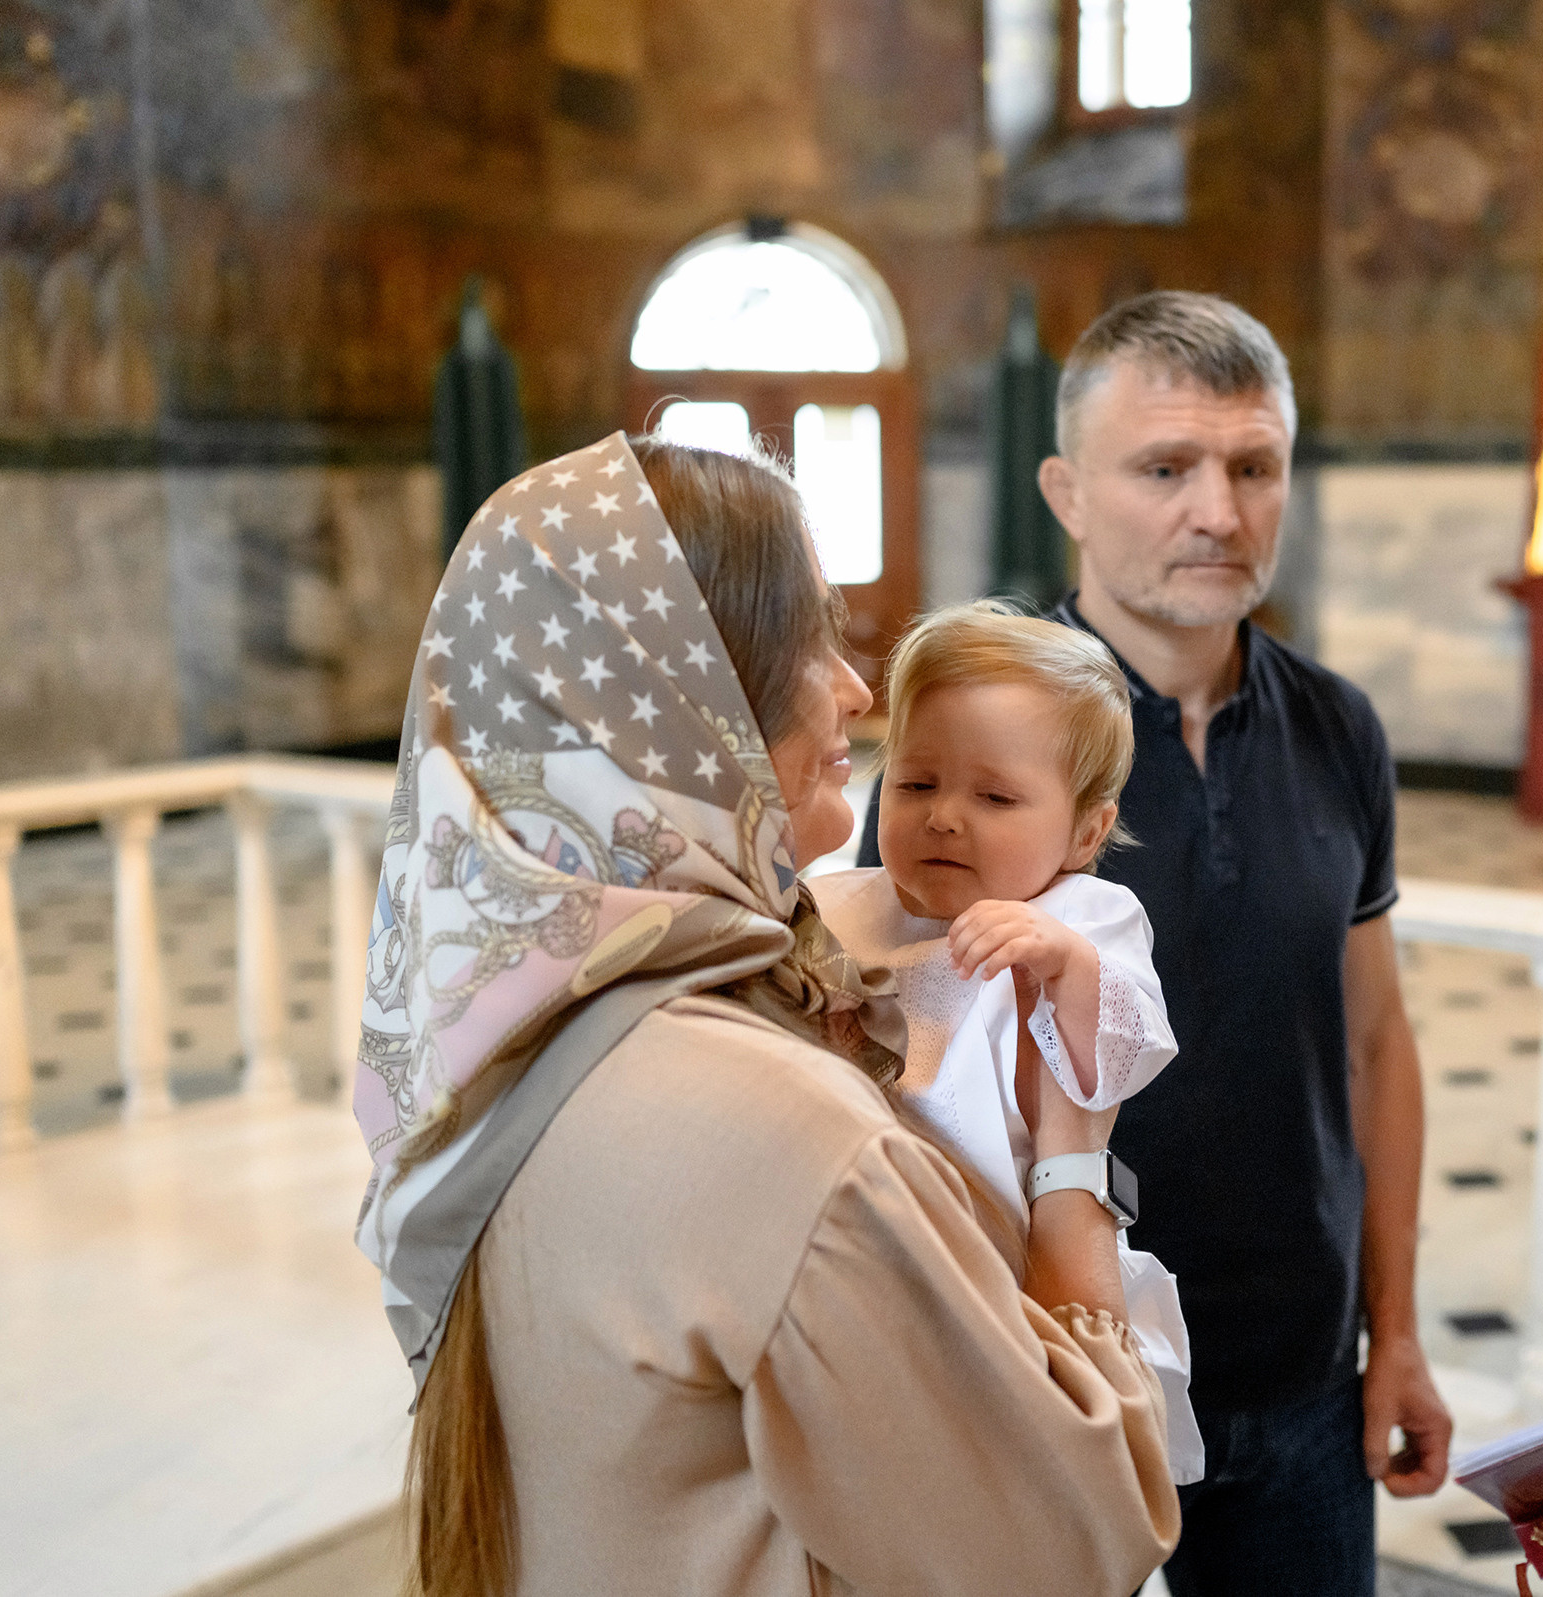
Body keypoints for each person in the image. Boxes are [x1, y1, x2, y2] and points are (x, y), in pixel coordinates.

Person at [351, 433, 1179, 1596]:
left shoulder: (506, 1016)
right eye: (813, 637)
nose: (853, 689)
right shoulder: (785, 1133)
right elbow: (1083, 1535)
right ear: (697, 700)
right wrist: (1073, 1169)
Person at [858, 291, 1453, 1594]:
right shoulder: (968, 736)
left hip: (1302, 1378)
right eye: (1166, 467)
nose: (1221, 512)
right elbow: (874, 1066)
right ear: (1068, 490)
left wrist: (1393, 1331)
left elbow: (1373, 1041)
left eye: (1254, 467)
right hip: (1042, 1368)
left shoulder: (1339, 727)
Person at [811, 601, 1203, 1483]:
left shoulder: (1082, 917)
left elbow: (1120, 1059)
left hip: (1020, 1265)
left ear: (1087, 831)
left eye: (993, 796)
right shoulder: (847, 907)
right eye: (916, 784)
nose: (945, 817)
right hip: (866, 1257)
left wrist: (1062, 969)